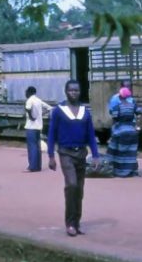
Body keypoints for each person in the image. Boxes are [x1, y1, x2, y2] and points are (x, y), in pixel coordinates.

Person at [47, 80, 100, 237]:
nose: (74, 93)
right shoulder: (58, 111)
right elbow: (51, 134)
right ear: (66, 92)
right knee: (72, 184)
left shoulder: (85, 111)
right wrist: (51, 155)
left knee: (80, 190)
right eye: (71, 90)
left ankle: (76, 222)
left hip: (81, 154)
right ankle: (69, 223)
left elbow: (91, 134)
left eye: (77, 90)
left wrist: (96, 155)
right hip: (65, 153)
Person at [106, 87, 139, 177]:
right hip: (132, 131)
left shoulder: (117, 107)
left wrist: (113, 131)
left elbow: (114, 118)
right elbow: (139, 112)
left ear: (120, 97)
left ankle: (118, 171)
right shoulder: (133, 105)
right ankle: (130, 170)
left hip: (120, 131)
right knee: (131, 152)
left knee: (114, 150)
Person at [24, 86, 52, 172]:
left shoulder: (29, 100)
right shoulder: (38, 100)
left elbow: (27, 108)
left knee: (31, 147)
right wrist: (41, 114)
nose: (25, 94)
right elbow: (49, 108)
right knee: (37, 147)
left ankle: (32, 166)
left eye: (26, 92)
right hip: (39, 126)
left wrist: (31, 116)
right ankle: (38, 166)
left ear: (29, 92)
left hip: (30, 127)